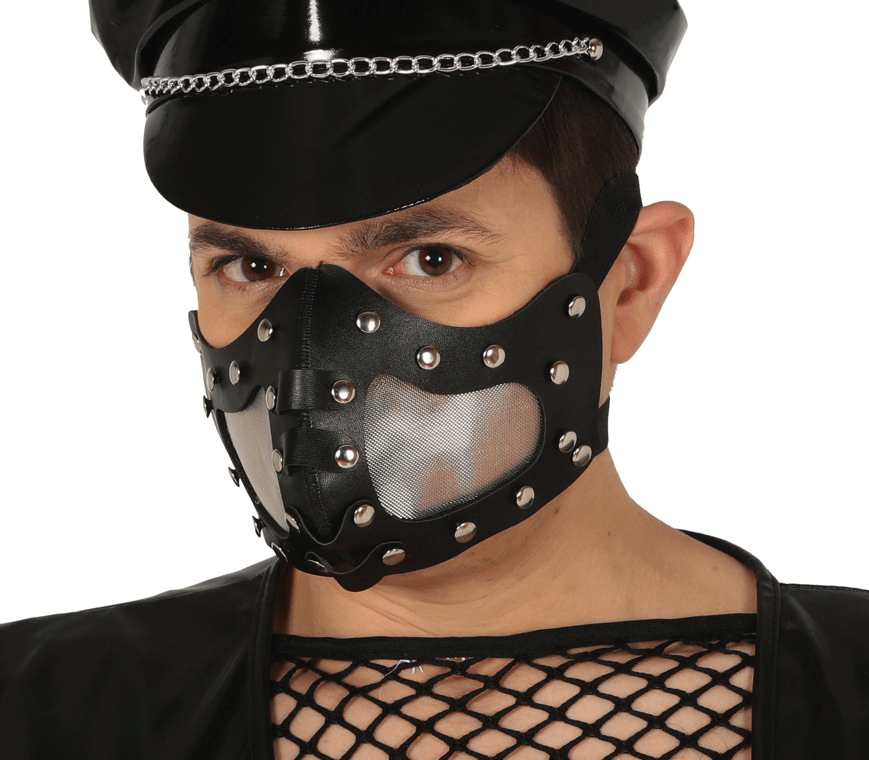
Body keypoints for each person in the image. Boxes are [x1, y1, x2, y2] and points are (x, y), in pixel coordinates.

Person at [1, 1, 867, 758]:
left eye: (430, 258)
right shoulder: (36, 707)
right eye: (251, 266)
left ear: (630, 284)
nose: (311, 356)